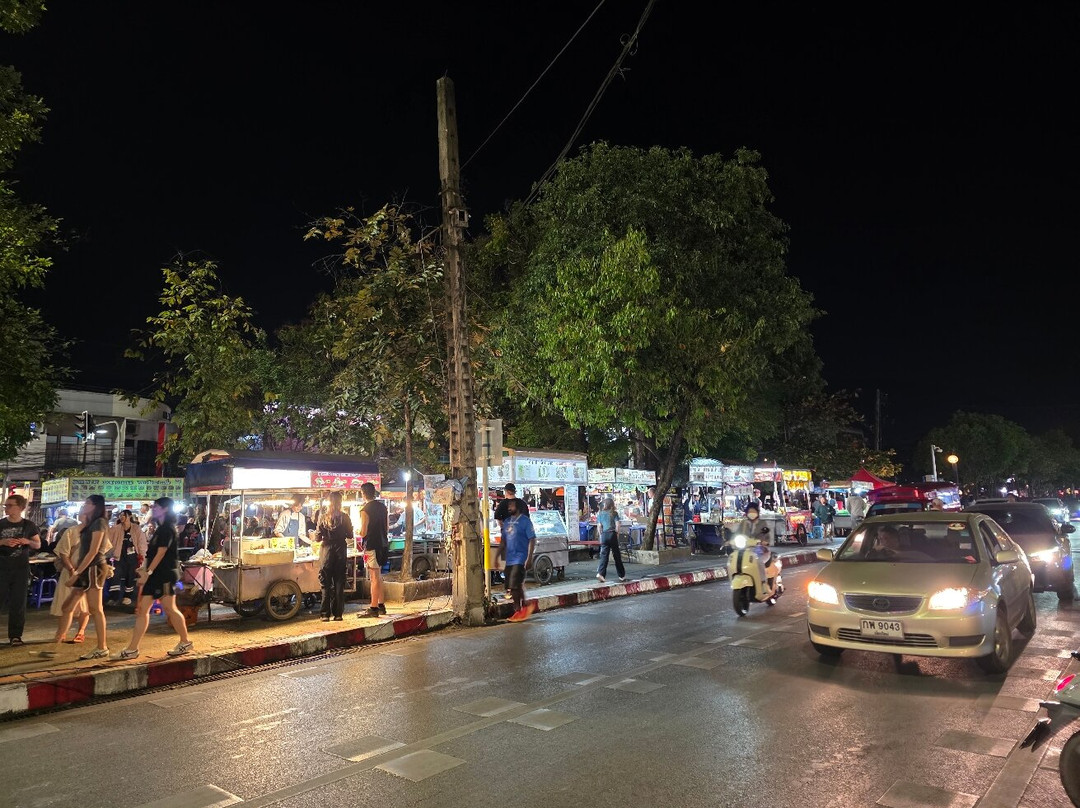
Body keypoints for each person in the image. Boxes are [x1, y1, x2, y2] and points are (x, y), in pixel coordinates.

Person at [114, 497, 192, 660]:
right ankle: (132, 648)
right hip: (155, 574)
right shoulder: (160, 528)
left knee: (170, 609)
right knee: (143, 610)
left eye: (156, 507)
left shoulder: (167, 529)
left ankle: (185, 641)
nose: (152, 509)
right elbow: (153, 553)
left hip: (164, 575)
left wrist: (148, 572)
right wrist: (145, 570)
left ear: (164, 509)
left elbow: (161, 553)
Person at [55, 495, 110, 659]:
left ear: (95, 506)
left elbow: (93, 551)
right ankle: (58, 639)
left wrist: (77, 573)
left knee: (95, 609)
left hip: (94, 568)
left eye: (87, 503)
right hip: (86, 569)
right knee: (67, 606)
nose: (84, 505)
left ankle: (102, 647)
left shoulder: (100, 522)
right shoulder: (90, 524)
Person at [0, 493, 42, 646]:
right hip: (2, 567)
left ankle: (15, 635)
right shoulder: (1, 524)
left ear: (20, 508)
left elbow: (38, 544)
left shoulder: (29, 525)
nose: (6, 508)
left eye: (10, 505)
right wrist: (3, 542)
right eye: (5, 505)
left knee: (18, 602)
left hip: (20, 569)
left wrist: (27, 541)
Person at [51, 517, 91, 644]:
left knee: (85, 606)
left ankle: (81, 631)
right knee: (65, 603)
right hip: (70, 572)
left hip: (87, 573)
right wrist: (71, 569)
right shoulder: (71, 531)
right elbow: (63, 553)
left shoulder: (97, 532)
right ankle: (61, 632)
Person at [315, 491, 352, 622]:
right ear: (340, 502)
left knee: (325, 583)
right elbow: (350, 535)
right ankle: (338, 614)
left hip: (326, 551)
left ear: (329, 502)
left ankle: (325, 614)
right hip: (340, 551)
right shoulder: (345, 517)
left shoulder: (323, 517)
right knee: (339, 582)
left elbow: (317, 537)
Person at [503, 498, 537, 621]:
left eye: (512, 505)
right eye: (508, 505)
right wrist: (497, 557)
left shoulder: (525, 521)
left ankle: (518, 610)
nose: (509, 507)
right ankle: (526, 605)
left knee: (514, 585)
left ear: (517, 507)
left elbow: (532, 539)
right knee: (514, 585)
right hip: (509, 558)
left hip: (520, 558)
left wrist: (529, 557)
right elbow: (504, 541)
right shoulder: (507, 522)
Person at [358, 482, 389, 618]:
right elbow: (387, 528)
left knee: (374, 577)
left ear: (363, 494)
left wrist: (358, 531)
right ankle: (381, 605)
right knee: (379, 576)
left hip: (371, 545)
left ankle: (373, 608)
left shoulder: (365, 510)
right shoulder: (383, 507)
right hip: (383, 544)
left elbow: (363, 532)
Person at [107, 510, 147, 606]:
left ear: (129, 516)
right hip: (118, 556)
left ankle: (127, 596)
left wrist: (142, 555)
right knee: (115, 575)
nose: (121, 517)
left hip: (132, 557)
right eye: (120, 515)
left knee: (130, 576)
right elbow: (108, 540)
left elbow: (141, 542)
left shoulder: (136, 528)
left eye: (124, 515)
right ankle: (114, 597)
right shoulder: (115, 528)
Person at [595, 497, 627, 583]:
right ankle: (621, 575)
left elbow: (599, 526)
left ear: (604, 505)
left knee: (604, 555)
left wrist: (601, 535)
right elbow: (618, 524)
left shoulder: (600, 514)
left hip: (604, 535)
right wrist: (617, 533)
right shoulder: (614, 513)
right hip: (612, 534)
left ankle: (601, 574)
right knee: (616, 555)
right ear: (612, 505)